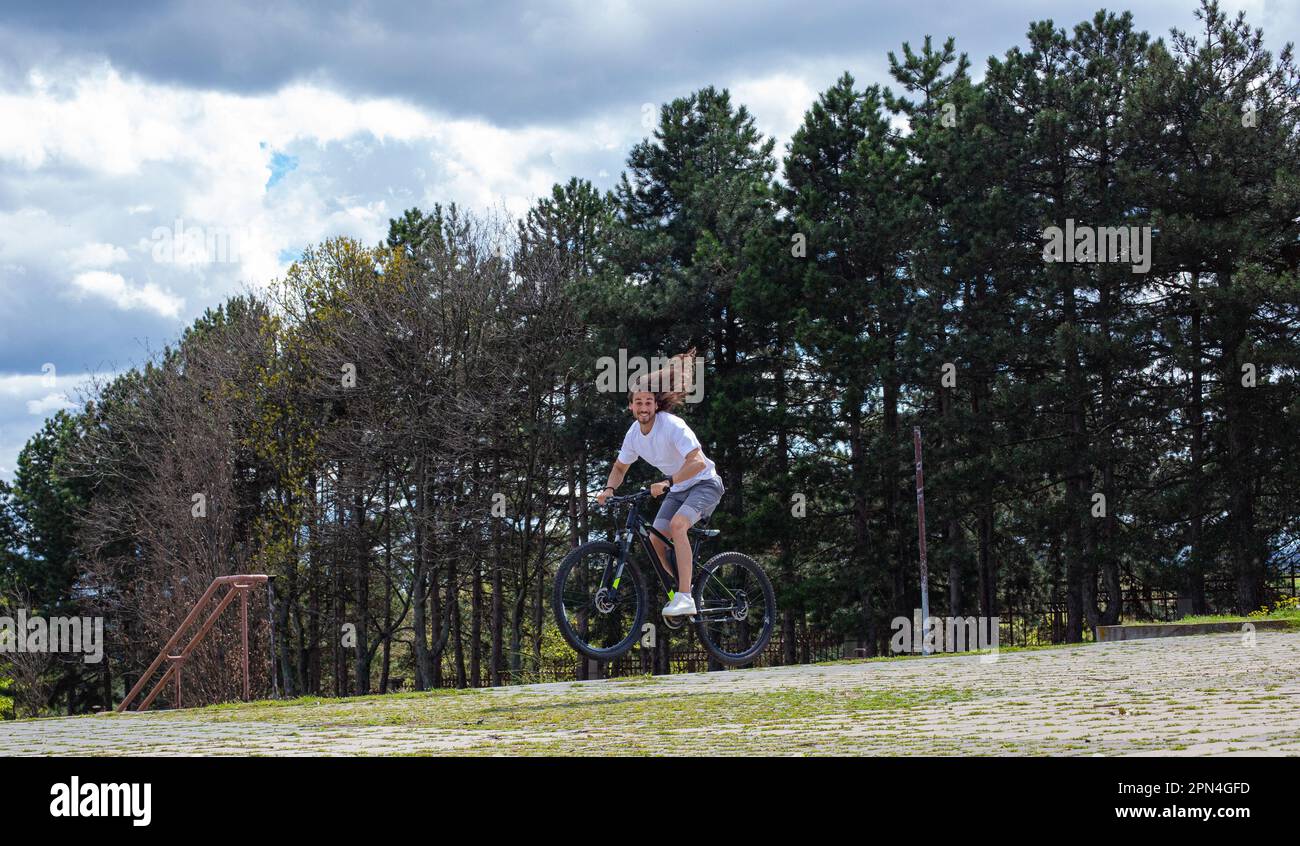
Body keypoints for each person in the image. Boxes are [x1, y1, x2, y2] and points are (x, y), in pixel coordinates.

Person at [595, 350, 724, 616]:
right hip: (678, 489)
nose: (643, 408)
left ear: (656, 405)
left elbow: (698, 462)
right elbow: (620, 467)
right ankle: (685, 587)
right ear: (631, 407)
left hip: (705, 484)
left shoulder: (672, 425)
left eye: (648, 403)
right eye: (638, 403)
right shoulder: (633, 435)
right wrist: (609, 489)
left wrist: (667, 482)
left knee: (678, 525)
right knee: (656, 539)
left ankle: (686, 596)